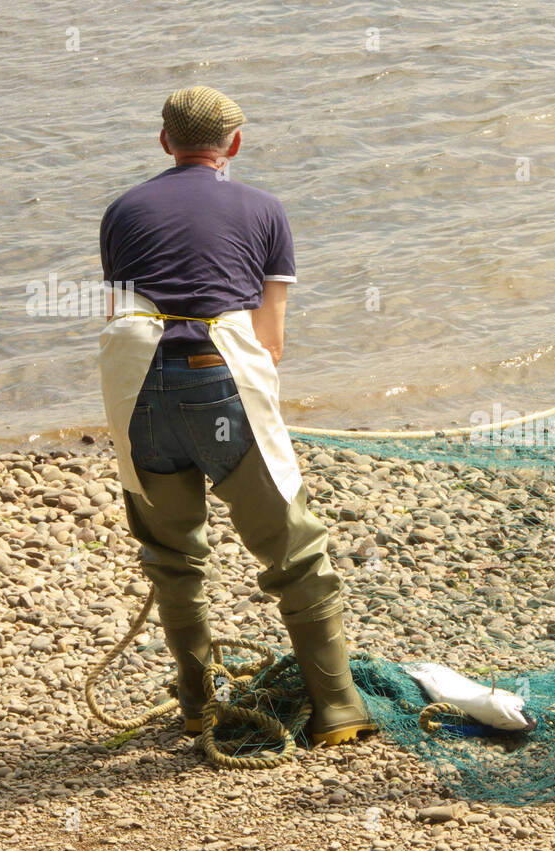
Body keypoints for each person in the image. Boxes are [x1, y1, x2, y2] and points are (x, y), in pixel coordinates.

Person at [97, 86, 374, 745]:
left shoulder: (122, 211)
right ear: (236, 145)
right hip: (219, 380)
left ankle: (198, 704)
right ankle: (337, 708)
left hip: (135, 384)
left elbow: (123, 312)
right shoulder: (265, 209)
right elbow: (270, 338)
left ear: (165, 142)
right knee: (294, 548)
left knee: (172, 554)